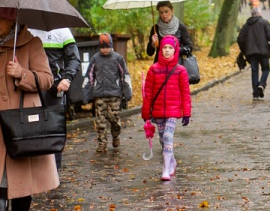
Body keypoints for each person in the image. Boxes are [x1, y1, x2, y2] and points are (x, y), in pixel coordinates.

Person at [0, 7, 58, 211]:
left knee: (21, 188)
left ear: (12, 20)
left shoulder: (31, 43)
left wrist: (22, 74)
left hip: (23, 127)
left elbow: (47, 80)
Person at [27, 26, 80, 169]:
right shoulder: (27, 30)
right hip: (32, 87)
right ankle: (34, 168)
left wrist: (67, 78)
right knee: (32, 127)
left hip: (55, 87)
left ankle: (54, 170)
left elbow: (74, 59)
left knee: (54, 128)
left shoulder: (63, 31)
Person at [142, 36, 192, 181]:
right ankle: (172, 161)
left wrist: (186, 113)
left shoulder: (180, 70)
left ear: (175, 50)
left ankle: (165, 168)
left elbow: (185, 93)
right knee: (163, 139)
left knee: (168, 137)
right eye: (165, 47)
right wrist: (146, 112)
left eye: (170, 48)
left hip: (173, 110)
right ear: (161, 49)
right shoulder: (154, 69)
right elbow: (148, 93)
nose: (167, 50)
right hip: (157, 111)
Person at [82, 34, 132, 152]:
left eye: (106, 47)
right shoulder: (95, 59)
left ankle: (116, 135)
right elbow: (89, 76)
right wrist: (86, 94)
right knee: (100, 121)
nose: (104, 50)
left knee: (114, 118)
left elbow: (124, 75)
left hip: (115, 95)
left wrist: (127, 92)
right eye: (102, 47)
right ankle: (102, 143)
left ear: (111, 46)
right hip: (99, 95)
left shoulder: (117, 58)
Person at [237, 7, 270, 100]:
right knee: (266, 68)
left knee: (254, 71)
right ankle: (262, 84)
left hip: (251, 53)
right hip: (263, 51)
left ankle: (255, 93)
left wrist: (244, 50)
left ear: (252, 14)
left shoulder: (246, 25)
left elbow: (240, 39)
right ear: (259, 13)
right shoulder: (264, 23)